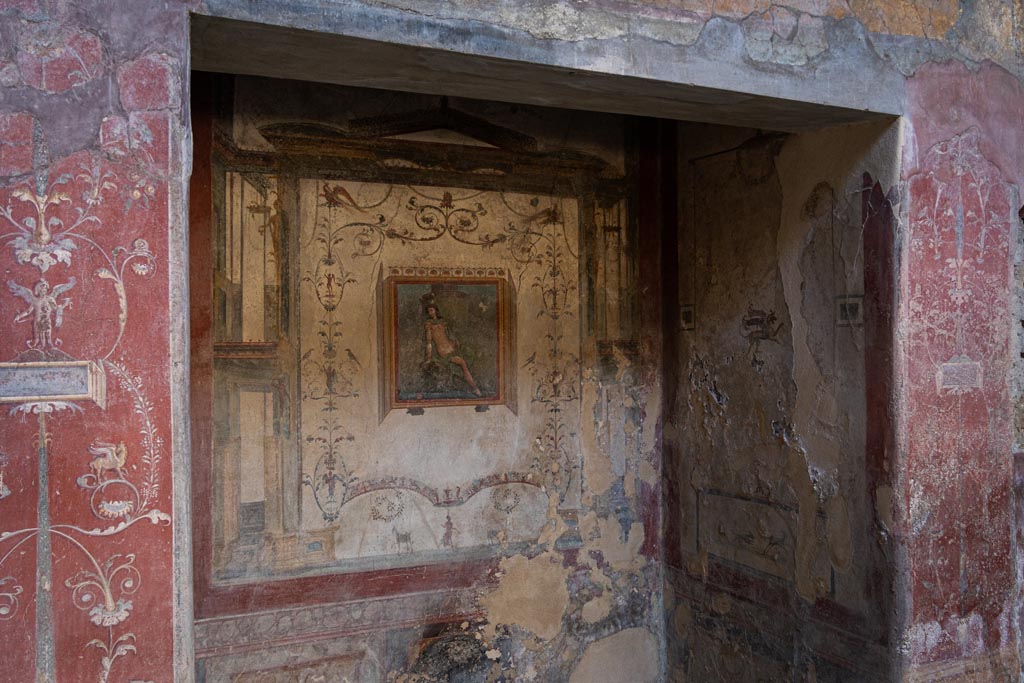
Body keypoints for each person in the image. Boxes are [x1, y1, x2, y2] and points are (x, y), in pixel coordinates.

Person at [422, 298, 482, 397]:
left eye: (432, 310)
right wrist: (428, 357)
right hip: (443, 351)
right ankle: (475, 388)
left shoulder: (443, 322)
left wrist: (454, 341)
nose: (430, 312)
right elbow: (429, 342)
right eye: (429, 311)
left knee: (466, 358)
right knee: (463, 363)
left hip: (450, 347)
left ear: (436, 310)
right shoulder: (429, 325)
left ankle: (474, 388)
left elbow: (449, 336)